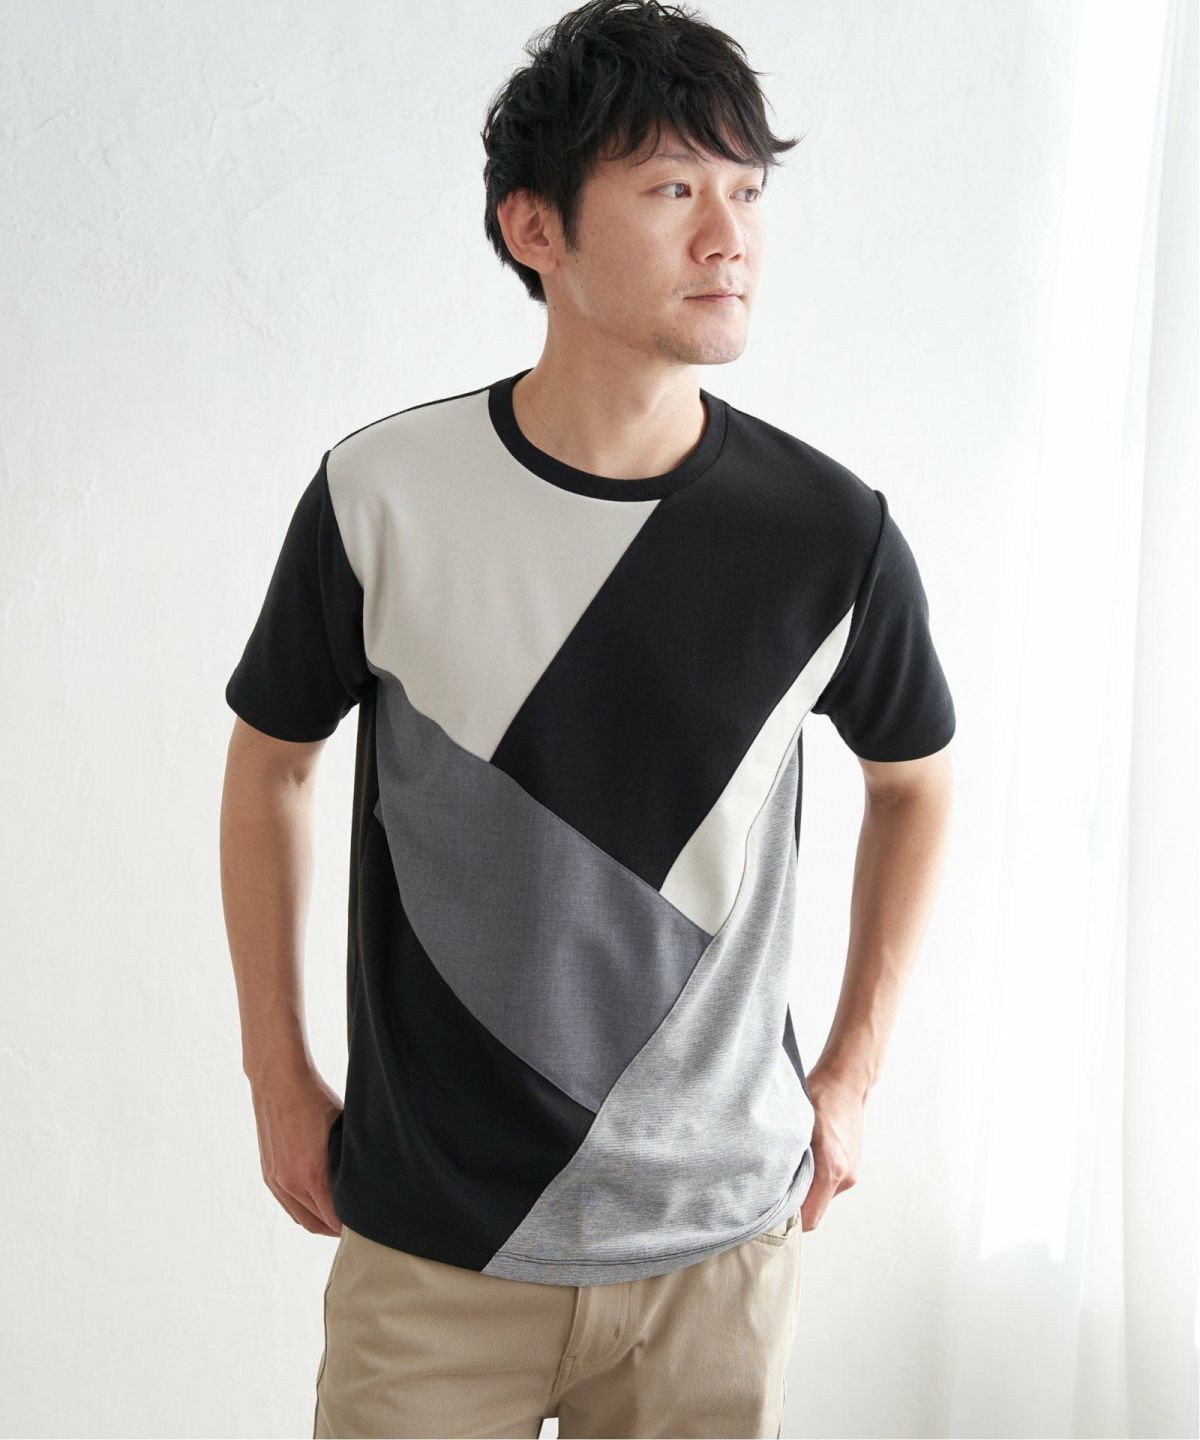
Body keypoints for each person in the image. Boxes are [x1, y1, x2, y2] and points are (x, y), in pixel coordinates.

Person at [219, 1, 957, 1435]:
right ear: (534, 229)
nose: (728, 237)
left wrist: (853, 1076)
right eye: (673, 189)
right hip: (436, 1242)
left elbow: (918, 784)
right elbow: (270, 768)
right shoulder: (383, 496)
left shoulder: (830, 536)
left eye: (747, 191)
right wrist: (277, 1074)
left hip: (718, 1253)